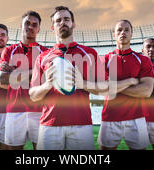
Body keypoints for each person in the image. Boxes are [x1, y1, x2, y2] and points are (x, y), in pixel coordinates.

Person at [29, 6, 107, 150]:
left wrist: (82, 84)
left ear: (73, 24)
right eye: (58, 20)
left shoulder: (90, 54)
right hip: (49, 124)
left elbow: (104, 88)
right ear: (53, 27)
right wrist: (47, 85)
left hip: (81, 124)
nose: (63, 22)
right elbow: (33, 95)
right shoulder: (42, 57)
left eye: (67, 19)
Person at [97, 20, 154, 150]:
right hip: (110, 116)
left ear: (131, 34)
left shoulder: (143, 60)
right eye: (119, 30)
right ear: (114, 34)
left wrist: (114, 87)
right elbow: (102, 88)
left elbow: (146, 91)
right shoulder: (104, 59)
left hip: (136, 117)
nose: (123, 32)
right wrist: (130, 81)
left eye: (126, 30)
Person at [0, 11, 48, 150]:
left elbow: (47, 78)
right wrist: (35, 71)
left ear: (38, 29)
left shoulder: (46, 52)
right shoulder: (9, 51)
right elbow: (3, 79)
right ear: (21, 25)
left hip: (40, 110)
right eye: (27, 23)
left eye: (34, 25)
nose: (30, 27)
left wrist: (15, 73)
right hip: (15, 109)